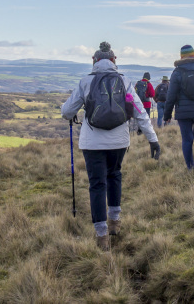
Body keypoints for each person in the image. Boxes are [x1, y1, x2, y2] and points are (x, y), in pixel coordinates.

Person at [61, 41, 160, 251]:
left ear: (94, 61)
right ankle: (115, 221)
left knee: (97, 184)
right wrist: (153, 139)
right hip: (119, 141)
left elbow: (67, 112)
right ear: (114, 61)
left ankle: (102, 234)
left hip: (92, 142)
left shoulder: (86, 81)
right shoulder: (124, 81)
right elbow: (140, 111)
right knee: (114, 175)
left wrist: (71, 111)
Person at [162, 45, 194, 170]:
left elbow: (171, 95)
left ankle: (190, 168)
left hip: (183, 112)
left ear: (181, 57)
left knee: (187, 139)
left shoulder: (177, 72)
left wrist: (167, 115)